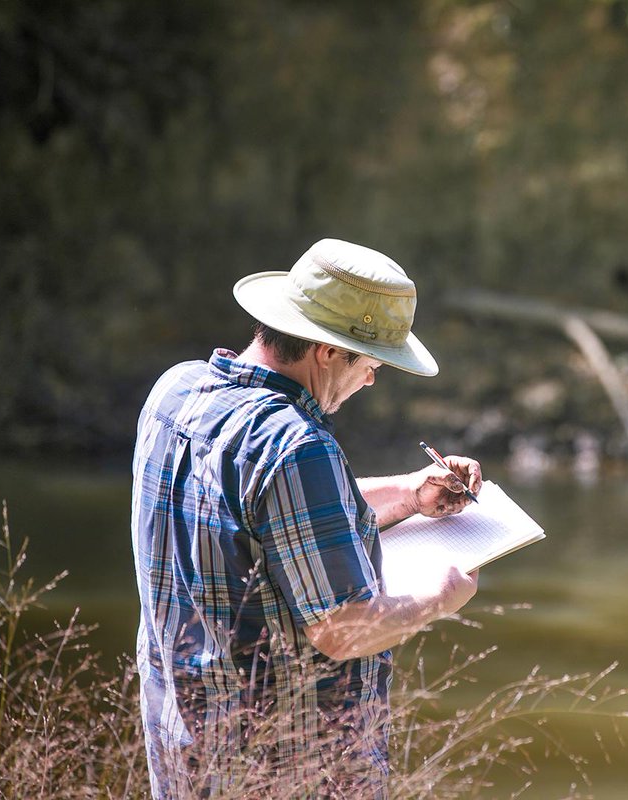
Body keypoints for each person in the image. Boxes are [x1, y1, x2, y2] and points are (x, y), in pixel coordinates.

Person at [130, 238, 482, 798]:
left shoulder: (175, 391)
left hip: (184, 750)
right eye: (371, 364)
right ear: (327, 352)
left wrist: (411, 493)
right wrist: (442, 597)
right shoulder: (297, 445)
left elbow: (261, 515)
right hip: (284, 767)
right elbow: (342, 630)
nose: (371, 379)